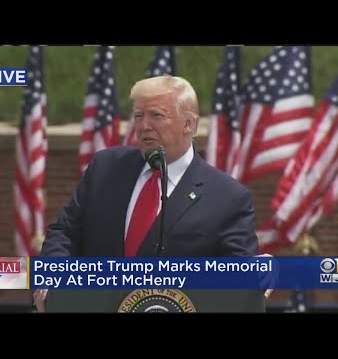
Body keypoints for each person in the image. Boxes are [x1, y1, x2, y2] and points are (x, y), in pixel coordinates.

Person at [34, 75, 273, 312]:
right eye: (138, 116)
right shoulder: (106, 168)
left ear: (189, 124)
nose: (144, 125)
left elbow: (238, 275)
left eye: (156, 115)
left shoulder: (227, 196)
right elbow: (65, 232)